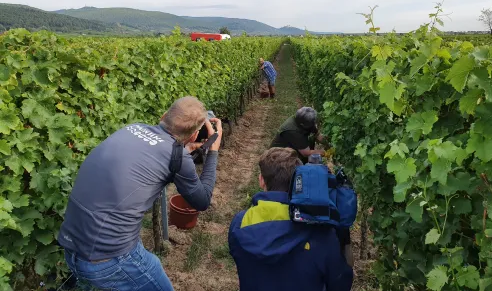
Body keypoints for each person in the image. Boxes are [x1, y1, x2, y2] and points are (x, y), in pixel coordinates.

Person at [58, 96, 222, 291]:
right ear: (194, 136)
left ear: (164, 116)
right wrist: (212, 151)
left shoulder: (131, 129)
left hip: (71, 248)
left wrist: (189, 149)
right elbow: (202, 201)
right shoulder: (177, 156)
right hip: (109, 260)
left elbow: (158, 150)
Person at [228, 147, 353, 291]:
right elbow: (341, 284)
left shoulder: (239, 224)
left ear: (261, 181)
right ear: (299, 183)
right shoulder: (323, 233)